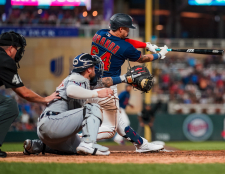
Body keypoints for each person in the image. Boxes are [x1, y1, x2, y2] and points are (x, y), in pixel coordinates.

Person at [90, 13, 168, 152]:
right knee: (110, 129)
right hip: (107, 86)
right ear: (120, 28)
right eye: (126, 28)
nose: (128, 31)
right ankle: (80, 139)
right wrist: (159, 55)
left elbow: (124, 41)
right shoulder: (125, 48)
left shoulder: (99, 34)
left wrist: (146, 45)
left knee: (119, 123)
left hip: (90, 82)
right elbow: (142, 58)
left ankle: (141, 144)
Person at [23, 53, 114, 155]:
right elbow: (71, 91)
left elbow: (102, 82)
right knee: (93, 108)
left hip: (50, 129)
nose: (95, 70)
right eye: (93, 67)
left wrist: (124, 78)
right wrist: (97, 93)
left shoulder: (79, 79)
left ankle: (39, 146)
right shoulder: (77, 77)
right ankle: (89, 144)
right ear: (88, 69)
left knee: (78, 150)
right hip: (53, 123)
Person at [0, 31, 59, 158]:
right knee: (9, 105)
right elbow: (24, 93)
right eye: (17, 48)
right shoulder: (4, 60)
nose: (18, 52)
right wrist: (45, 99)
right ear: (10, 49)